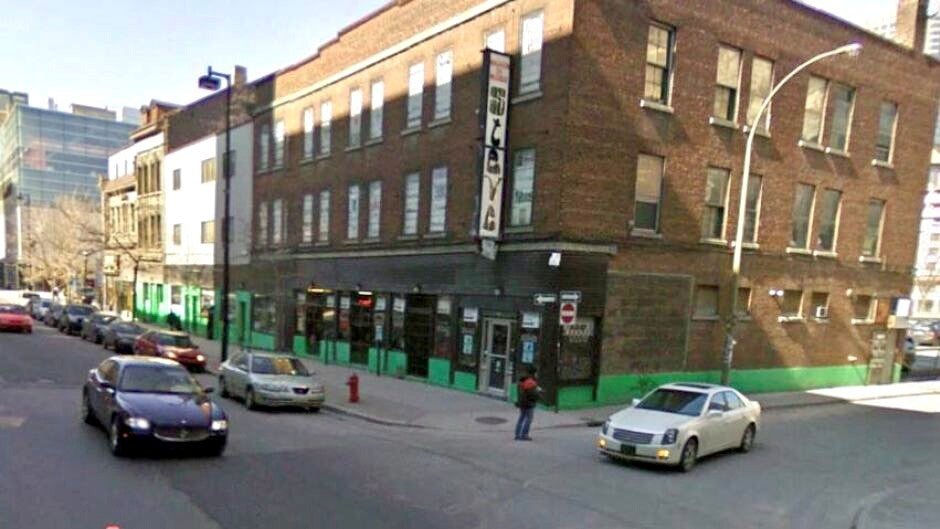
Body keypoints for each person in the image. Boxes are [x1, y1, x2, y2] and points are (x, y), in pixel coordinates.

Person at [514, 367, 540, 441]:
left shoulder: (522, 380)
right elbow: (533, 394)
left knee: (521, 418)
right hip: (529, 403)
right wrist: (538, 392)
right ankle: (524, 435)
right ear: (533, 373)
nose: (537, 374)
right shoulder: (531, 382)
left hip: (522, 402)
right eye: (536, 373)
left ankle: (517, 434)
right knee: (529, 419)